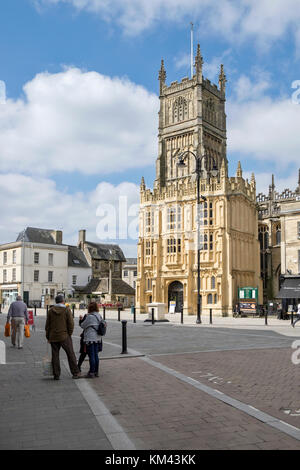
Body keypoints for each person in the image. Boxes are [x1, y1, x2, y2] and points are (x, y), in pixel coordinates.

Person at [45, 294, 81, 380]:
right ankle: (75, 372)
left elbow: (47, 325)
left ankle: (56, 374)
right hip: (64, 336)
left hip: (53, 336)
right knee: (70, 354)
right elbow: (71, 324)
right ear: (63, 301)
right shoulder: (66, 310)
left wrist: (48, 337)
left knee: (55, 355)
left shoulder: (50, 310)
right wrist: (69, 334)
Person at [80, 302, 103, 378]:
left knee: (91, 356)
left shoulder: (90, 317)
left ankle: (91, 372)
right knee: (96, 355)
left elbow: (83, 325)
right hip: (98, 338)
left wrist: (81, 320)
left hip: (90, 338)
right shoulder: (99, 316)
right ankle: (96, 371)